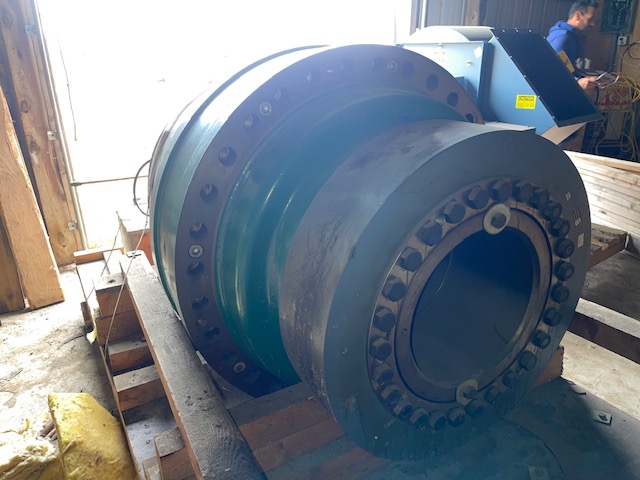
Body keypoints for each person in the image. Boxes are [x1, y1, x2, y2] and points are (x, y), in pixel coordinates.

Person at [547, 1, 599, 90]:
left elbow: (567, 68)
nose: (593, 24)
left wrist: (584, 78)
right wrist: (577, 82)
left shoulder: (571, 36)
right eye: (590, 20)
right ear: (577, 16)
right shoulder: (562, 38)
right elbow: (551, 69)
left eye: (595, 21)